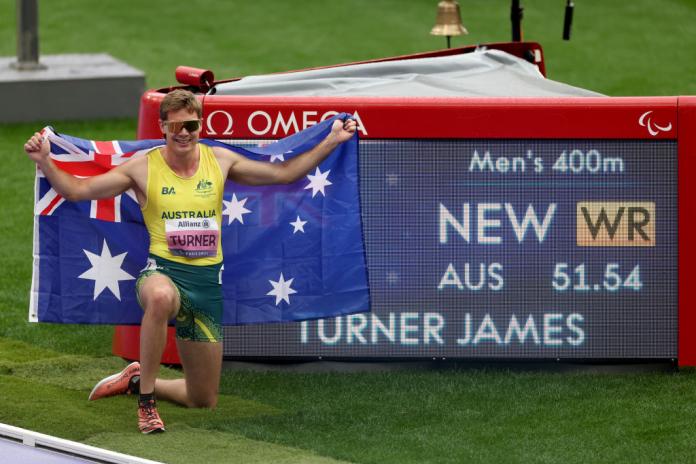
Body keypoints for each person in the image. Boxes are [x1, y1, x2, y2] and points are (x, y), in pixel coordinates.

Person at [23, 89, 357, 434]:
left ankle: (136, 379)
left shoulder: (221, 161)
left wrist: (332, 140)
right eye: (177, 126)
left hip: (206, 286)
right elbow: (78, 191)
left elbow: (285, 174)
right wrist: (45, 160)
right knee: (160, 297)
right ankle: (147, 404)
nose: (184, 133)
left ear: (200, 125)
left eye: (192, 125)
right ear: (163, 127)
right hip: (162, 272)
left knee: (202, 399)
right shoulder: (143, 167)